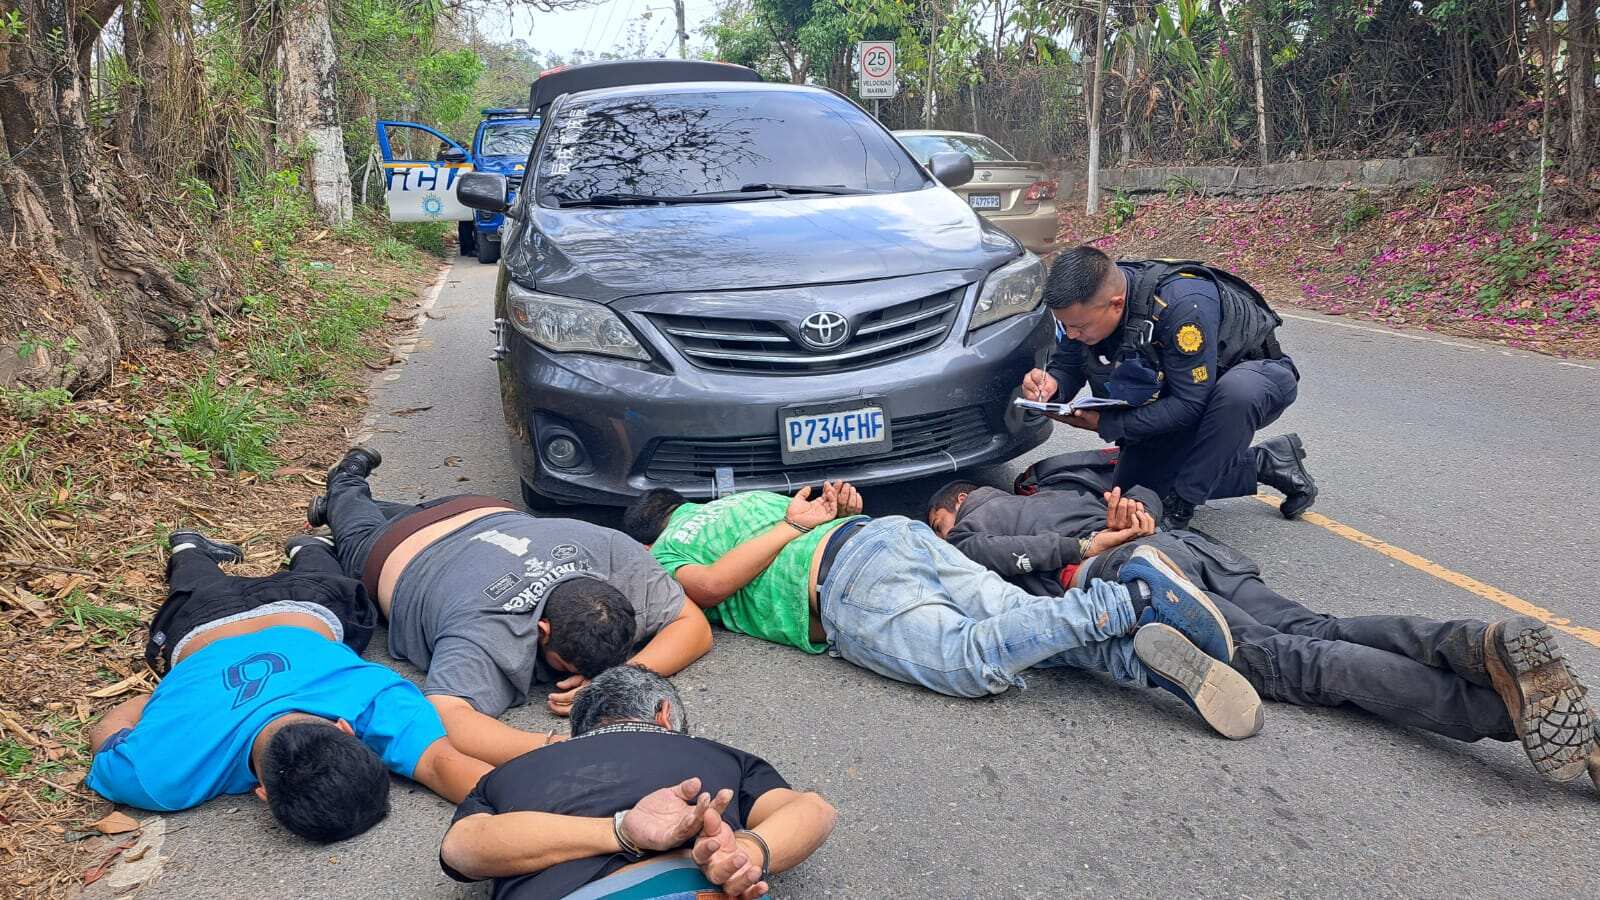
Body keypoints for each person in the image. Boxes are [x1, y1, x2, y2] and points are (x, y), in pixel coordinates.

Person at [927, 474, 1600, 789]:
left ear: (949, 511)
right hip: (1189, 549)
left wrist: (1092, 538)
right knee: (1319, 626)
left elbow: (991, 561)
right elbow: (1151, 489)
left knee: (1295, 662)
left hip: (1137, 571)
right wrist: (1135, 512)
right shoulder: (1055, 482)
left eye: (940, 526)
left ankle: (1502, 711)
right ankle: (1471, 644)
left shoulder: (970, 529)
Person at [623, 482, 1265, 739]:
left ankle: (1129, 600)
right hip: (891, 536)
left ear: (653, 530)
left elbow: (704, 589)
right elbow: (817, 522)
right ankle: (1144, 661)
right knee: (1025, 623)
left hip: (847, 587)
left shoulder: (673, 541)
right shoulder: (748, 499)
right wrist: (822, 516)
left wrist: (793, 528)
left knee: (971, 657)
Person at [86, 531, 513, 842]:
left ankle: (305, 546)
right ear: (263, 794)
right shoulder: (156, 775)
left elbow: (443, 765)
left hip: (300, 606)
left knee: (338, 591)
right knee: (197, 588)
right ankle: (191, 549)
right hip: (201, 623)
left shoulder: (373, 699)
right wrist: (149, 704)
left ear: (346, 731)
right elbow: (105, 735)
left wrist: (533, 802)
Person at [309, 447, 712, 760]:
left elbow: (692, 625)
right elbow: (447, 715)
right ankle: (345, 481)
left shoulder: (615, 554)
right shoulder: (486, 631)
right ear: (542, 631)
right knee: (355, 531)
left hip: (472, 508)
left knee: (397, 517)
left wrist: (620, 674)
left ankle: (373, 510)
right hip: (393, 550)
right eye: (566, 666)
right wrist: (556, 749)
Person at [440, 664, 837, 899]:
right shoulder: (722, 756)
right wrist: (744, 855)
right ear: (665, 715)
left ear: (577, 734)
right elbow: (814, 810)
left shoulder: (512, 772)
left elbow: (461, 849)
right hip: (689, 885)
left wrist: (617, 832)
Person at [1018, 245, 1317, 530]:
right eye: (1065, 326)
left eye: (1079, 328)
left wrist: (1109, 423)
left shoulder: (1181, 305)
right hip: (1179, 393)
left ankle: (1182, 506)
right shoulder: (1084, 311)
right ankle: (1267, 463)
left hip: (1255, 377)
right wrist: (1051, 385)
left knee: (1236, 394)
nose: (1071, 334)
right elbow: (1068, 365)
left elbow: (1190, 404)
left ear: (1116, 304)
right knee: (1134, 492)